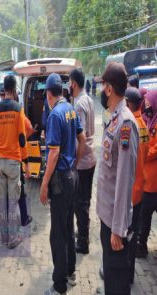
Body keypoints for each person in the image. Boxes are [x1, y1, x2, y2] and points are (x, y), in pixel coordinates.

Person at [40, 73, 86, 295]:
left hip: (60, 180)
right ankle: (70, 272)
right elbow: (83, 139)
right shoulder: (71, 108)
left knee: (57, 234)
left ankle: (59, 287)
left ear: (49, 94)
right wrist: (75, 165)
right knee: (68, 227)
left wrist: (44, 184)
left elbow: (54, 152)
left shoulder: (54, 115)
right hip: (72, 176)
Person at [96, 62, 139, 295]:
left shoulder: (125, 123)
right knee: (111, 281)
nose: (101, 90)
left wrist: (119, 230)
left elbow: (124, 181)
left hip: (116, 226)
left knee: (118, 289)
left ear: (110, 89)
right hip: (108, 219)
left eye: (103, 85)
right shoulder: (113, 118)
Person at [0, 75, 30, 249]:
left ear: (4, 89)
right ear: (14, 90)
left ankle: (4, 237)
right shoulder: (17, 109)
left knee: (1, 201)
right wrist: (26, 163)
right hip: (14, 162)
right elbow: (22, 137)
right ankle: (13, 239)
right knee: (13, 202)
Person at [70, 68, 96, 254]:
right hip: (90, 157)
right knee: (84, 199)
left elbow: (81, 137)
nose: (68, 86)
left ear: (74, 83)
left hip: (83, 160)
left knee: (80, 202)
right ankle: (84, 233)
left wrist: (75, 162)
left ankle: (83, 241)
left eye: (70, 82)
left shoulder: (78, 105)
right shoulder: (88, 99)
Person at [125, 87, 149, 283]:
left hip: (130, 192)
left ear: (128, 103)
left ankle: (125, 274)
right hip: (141, 189)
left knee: (125, 236)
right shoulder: (144, 125)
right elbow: (147, 154)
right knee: (133, 235)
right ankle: (131, 273)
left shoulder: (129, 125)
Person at [0, 87, 33, 226]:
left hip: (1, 160)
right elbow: (28, 130)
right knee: (19, 191)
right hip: (15, 158)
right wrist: (26, 163)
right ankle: (23, 218)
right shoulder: (17, 111)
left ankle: (7, 220)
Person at [136, 90, 157, 258]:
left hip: (154, 182)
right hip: (147, 180)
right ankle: (141, 245)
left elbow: (152, 151)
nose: (147, 106)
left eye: (149, 103)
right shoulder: (149, 121)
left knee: (146, 214)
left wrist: (144, 152)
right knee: (145, 216)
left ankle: (142, 245)